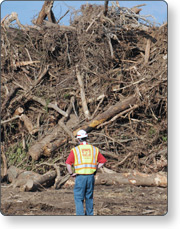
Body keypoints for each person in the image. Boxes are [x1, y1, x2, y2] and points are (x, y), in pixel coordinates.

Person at [66, 129, 107, 215]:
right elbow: (103, 161)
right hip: (90, 177)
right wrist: (96, 168)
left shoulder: (75, 150)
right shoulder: (94, 149)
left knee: (78, 198)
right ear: (86, 137)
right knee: (89, 197)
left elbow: (68, 164)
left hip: (80, 177)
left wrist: (71, 174)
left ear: (78, 139)